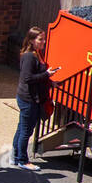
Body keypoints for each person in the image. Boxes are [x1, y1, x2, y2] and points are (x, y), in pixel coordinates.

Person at [12, 27, 60, 170]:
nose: (43, 41)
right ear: (32, 40)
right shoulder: (29, 56)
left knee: (22, 128)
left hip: (31, 98)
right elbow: (27, 78)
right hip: (28, 99)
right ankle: (22, 160)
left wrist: (50, 82)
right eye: (40, 39)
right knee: (26, 130)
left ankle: (16, 157)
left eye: (44, 38)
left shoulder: (37, 54)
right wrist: (47, 75)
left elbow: (36, 76)